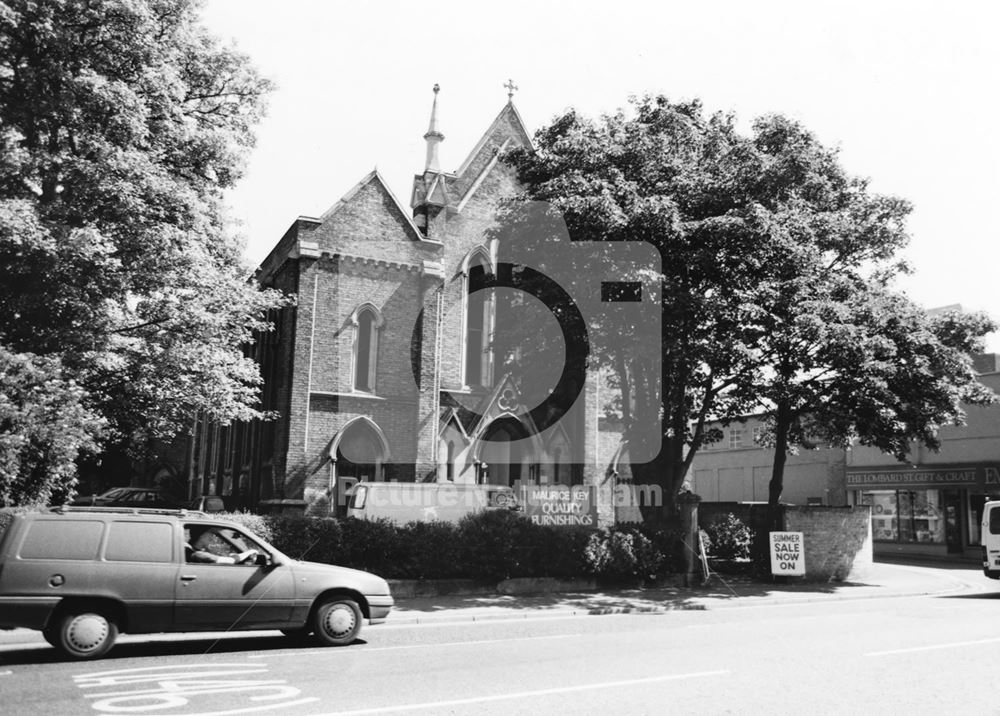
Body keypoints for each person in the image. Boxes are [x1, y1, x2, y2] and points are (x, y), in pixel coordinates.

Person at [185, 526, 258, 565]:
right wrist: (250, 552)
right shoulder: (199, 555)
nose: (211, 538)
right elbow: (231, 561)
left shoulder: (188, 550)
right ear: (200, 537)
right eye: (209, 535)